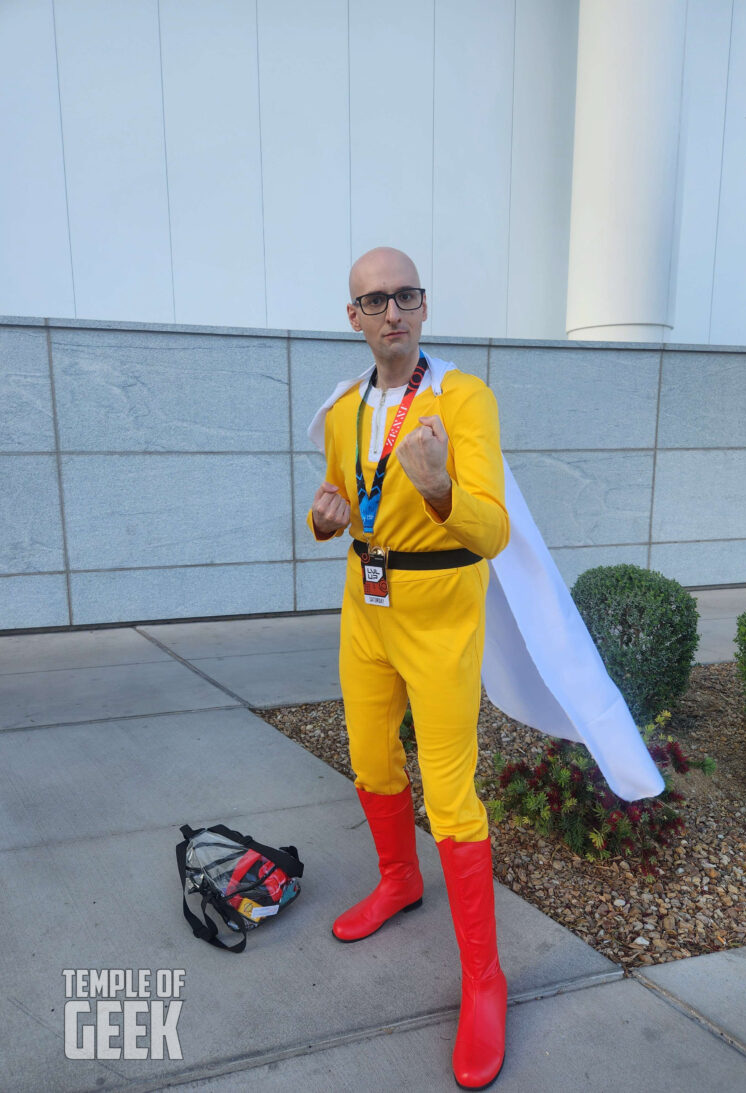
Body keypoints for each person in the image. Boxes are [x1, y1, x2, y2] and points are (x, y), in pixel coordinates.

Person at [307, 246, 509, 1089]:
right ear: (353, 317)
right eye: (375, 299)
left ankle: (485, 981)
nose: (393, 311)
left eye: (407, 296)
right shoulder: (341, 412)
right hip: (367, 604)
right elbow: (340, 501)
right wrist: (324, 518)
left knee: (451, 790)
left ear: (424, 307)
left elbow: (492, 530)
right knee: (369, 756)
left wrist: (437, 490)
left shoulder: (462, 397)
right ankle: (398, 880)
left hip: (441, 615)